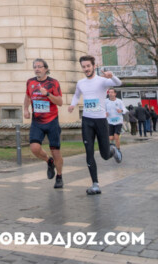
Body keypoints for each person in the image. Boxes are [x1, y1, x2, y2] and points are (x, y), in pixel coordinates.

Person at [68, 55, 122, 195]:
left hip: (101, 121)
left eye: (88, 66)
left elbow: (118, 83)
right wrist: (73, 105)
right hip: (87, 121)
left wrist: (112, 76)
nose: (86, 69)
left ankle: (112, 150)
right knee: (89, 151)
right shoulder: (80, 83)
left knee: (105, 155)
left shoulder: (102, 81)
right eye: (84, 67)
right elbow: (76, 95)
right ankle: (95, 184)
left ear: (93, 66)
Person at [23, 58, 64, 189]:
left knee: (55, 151)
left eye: (39, 66)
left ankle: (59, 176)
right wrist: (26, 109)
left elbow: (60, 102)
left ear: (46, 69)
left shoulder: (53, 83)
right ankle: (48, 161)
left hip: (52, 121)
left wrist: (47, 94)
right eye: (35, 67)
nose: (37, 69)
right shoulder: (30, 82)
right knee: (34, 148)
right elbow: (27, 96)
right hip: (37, 122)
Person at [105, 88, 127, 154]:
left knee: (116, 137)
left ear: (115, 94)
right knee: (111, 138)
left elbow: (125, 110)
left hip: (118, 121)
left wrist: (121, 110)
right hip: (110, 122)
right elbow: (102, 109)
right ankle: (113, 147)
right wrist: (104, 113)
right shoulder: (105, 101)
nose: (110, 94)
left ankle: (118, 151)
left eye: (112, 92)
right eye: (109, 92)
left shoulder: (119, 101)